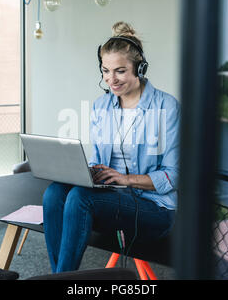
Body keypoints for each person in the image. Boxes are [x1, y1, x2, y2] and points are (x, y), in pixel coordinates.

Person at [42, 21, 180, 273]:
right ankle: (59, 277)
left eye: (120, 71)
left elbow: (175, 175)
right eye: (105, 71)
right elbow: (98, 159)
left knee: (80, 198)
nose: (110, 80)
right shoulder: (101, 106)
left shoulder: (166, 107)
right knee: (54, 192)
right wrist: (88, 172)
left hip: (155, 209)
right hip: (112, 200)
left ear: (140, 68)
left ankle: (60, 279)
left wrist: (126, 179)